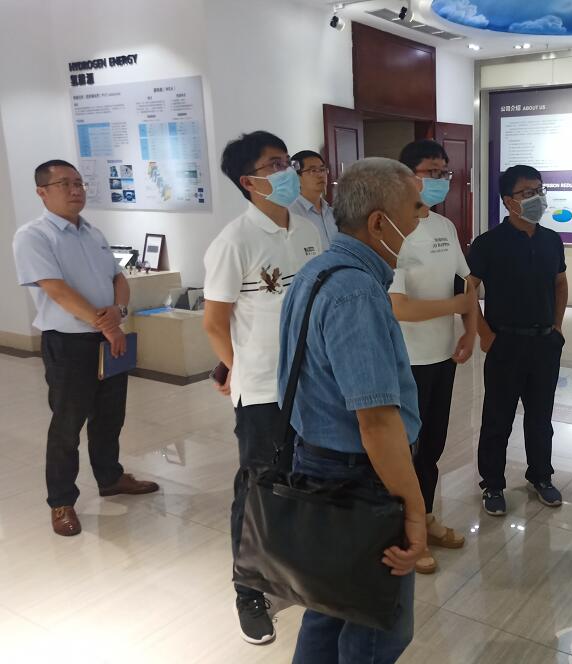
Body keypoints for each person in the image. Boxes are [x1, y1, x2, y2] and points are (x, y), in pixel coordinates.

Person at [280, 157, 427, 663]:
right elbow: (377, 421)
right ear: (379, 223)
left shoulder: (316, 271)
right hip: (359, 478)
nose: (422, 219)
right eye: (415, 208)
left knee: (329, 606)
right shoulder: (357, 293)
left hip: (319, 462)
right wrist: (414, 511)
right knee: (378, 627)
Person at [202, 131, 322, 645]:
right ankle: (249, 589)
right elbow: (215, 323)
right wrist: (239, 371)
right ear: (249, 182)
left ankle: (294, 566)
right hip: (264, 391)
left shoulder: (309, 229)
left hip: (314, 383)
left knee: (306, 477)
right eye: (274, 165)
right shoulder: (235, 241)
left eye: (287, 161)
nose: (287, 171)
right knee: (258, 486)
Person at [12, 159, 159, 538]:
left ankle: (110, 478)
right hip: (69, 343)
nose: (76, 190)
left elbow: (118, 278)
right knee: (67, 425)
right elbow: (57, 291)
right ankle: (61, 501)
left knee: (110, 416)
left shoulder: (93, 232)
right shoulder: (33, 236)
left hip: (108, 338)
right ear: (42, 192)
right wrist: (108, 324)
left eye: (78, 183)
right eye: (64, 184)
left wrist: (118, 311)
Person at [390, 139, 477, 574]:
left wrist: (470, 330)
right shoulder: (390, 230)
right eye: (431, 171)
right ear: (406, 176)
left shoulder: (444, 226)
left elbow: (467, 282)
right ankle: (405, 534)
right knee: (404, 450)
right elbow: (398, 307)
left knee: (433, 446)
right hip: (405, 359)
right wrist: (455, 308)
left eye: (445, 172)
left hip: (443, 355)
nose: (440, 180)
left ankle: (425, 519)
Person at [467, 164, 568, 516]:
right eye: (528, 193)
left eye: (540, 190)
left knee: (541, 417)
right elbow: (468, 290)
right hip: (505, 344)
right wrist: (485, 334)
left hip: (544, 344)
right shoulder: (488, 244)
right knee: (498, 418)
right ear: (509, 201)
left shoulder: (551, 240)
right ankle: (492, 483)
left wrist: (557, 327)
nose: (537, 198)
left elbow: (560, 283)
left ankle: (541, 476)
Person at [289, 149, 337, 249]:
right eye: (313, 170)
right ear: (296, 177)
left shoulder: (333, 213)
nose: (321, 175)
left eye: (323, 169)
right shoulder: (290, 214)